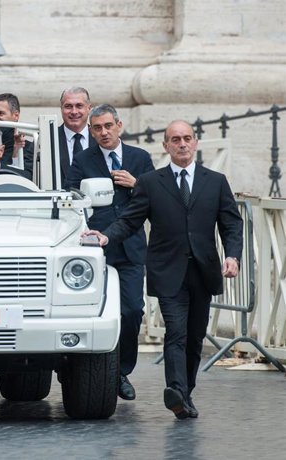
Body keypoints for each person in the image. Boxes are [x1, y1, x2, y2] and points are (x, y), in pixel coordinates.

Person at [83, 120, 243, 419]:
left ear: (195, 143)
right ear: (166, 146)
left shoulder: (216, 181)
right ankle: (176, 390)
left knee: (195, 337)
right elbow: (130, 220)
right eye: (175, 139)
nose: (182, 144)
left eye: (187, 139)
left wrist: (232, 256)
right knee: (176, 333)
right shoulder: (151, 182)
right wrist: (105, 236)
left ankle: (186, 393)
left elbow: (232, 223)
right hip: (168, 270)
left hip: (203, 271)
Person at [65, 104, 154, 401]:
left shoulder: (140, 158)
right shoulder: (82, 160)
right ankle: (87, 369)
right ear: (91, 131)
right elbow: (70, 197)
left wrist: (137, 183)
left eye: (107, 126)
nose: (103, 132)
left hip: (130, 248)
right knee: (94, 312)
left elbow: (157, 196)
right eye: (97, 128)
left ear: (119, 125)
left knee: (131, 311)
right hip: (95, 249)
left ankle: (121, 372)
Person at [0, 93, 34, 177]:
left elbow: (29, 179)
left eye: (0, 113)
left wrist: (16, 152)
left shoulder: (30, 148)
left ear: (16, 116)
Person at [58, 87, 94, 186]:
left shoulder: (101, 138)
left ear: (89, 108)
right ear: (61, 109)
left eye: (79, 106)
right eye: (68, 106)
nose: (74, 112)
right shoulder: (47, 139)